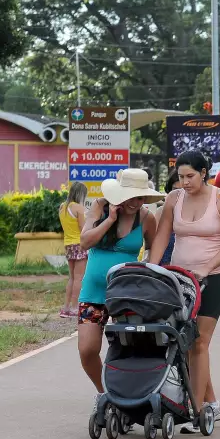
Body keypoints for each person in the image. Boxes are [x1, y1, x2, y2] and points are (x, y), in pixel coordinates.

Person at [149, 150, 220, 433]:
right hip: (179, 281)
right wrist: (151, 269)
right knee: (183, 343)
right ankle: (210, 402)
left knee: (199, 343)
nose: (185, 182)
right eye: (180, 177)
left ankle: (197, 410)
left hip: (212, 279)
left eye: (190, 176)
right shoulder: (174, 199)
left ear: (204, 173)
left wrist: (207, 267)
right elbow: (163, 235)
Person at [77, 169, 161, 405]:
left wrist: (148, 270)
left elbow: (155, 249)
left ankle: (128, 394)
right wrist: (111, 219)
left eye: (141, 198)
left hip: (127, 294)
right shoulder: (100, 208)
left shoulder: (146, 218)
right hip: (94, 294)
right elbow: (85, 242)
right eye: (132, 197)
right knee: (87, 349)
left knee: (127, 349)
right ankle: (105, 392)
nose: (136, 203)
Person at [58, 182, 89, 318]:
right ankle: (75, 307)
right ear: (81, 194)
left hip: (68, 244)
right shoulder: (78, 208)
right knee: (79, 278)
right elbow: (83, 228)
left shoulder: (62, 207)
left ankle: (66, 308)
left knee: (71, 277)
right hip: (79, 244)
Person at [154, 172, 181, 265]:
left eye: (183, 190)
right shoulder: (161, 212)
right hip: (163, 270)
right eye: (175, 190)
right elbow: (153, 244)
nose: (179, 194)